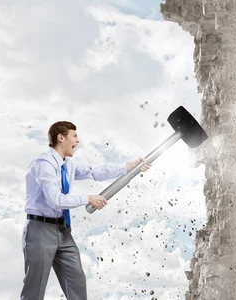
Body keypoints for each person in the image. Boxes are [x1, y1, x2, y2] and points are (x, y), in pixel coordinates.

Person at [21, 121, 151, 300]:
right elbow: (55, 200)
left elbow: (96, 172)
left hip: (63, 230)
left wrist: (127, 167)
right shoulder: (44, 163)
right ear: (61, 137)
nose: (78, 140)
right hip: (40, 230)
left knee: (77, 282)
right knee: (34, 290)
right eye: (74, 136)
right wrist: (87, 198)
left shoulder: (69, 164)